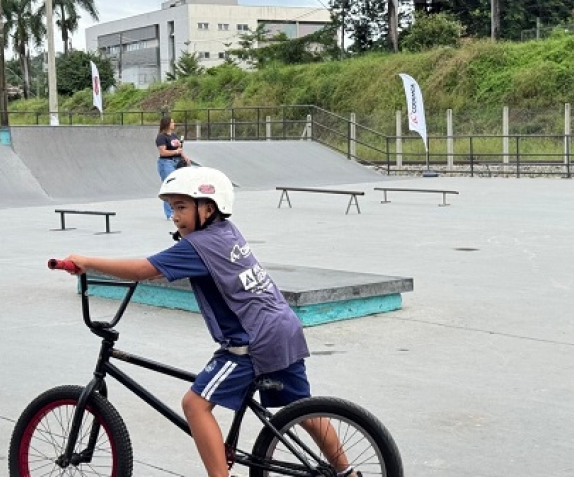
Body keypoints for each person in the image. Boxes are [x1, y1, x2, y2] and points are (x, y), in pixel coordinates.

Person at [64, 167, 360, 477]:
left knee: (195, 404)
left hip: (251, 342)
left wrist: (86, 262)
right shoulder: (227, 232)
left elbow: (142, 269)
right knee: (303, 409)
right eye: (172, 208)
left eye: (181, 207)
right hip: (283, 328)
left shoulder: (198, 247)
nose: (174, 216)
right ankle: (347, 472)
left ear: (208, 208)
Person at [156, 116, 191, 220]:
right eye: (172, 122)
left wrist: (184, 156)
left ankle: (178, 209)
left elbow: (179, 149)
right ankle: (169, 213)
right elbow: (163, 152)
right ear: (167, 124)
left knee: (178, 186)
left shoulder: (174, 135)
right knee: (169, 186)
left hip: (177, 161)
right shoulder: (161, 137)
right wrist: (176, 152)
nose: (173, 124)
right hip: (166, 163)